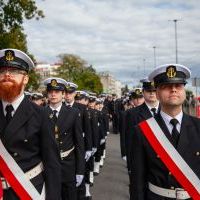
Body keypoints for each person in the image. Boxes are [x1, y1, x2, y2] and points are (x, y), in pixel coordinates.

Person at [130, 64, 200, 200]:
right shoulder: (142, 130)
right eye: (166, 86)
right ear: (157, 93)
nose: (173, 90)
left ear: (184, 91)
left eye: (178, 86)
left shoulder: (198, 126)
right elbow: (137, 181)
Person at [0, 49, 61, 200]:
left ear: (26, 79)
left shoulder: (41, 115)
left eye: (14, 71)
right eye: (2, 71)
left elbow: (52, 163)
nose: (7, 75)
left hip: (27, 191)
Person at [44, 77, 85, 200]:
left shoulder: (73, 113)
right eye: (50, 91)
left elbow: (79, 143)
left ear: (63, 94)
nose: (53, 94)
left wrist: (80, 170)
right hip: (48, 166)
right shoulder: (40, 113)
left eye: (56, 92)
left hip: (68, 165)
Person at [127, 78, 159, 199]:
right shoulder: (132, 114)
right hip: (142, 160)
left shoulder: (167, 110)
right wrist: (131, 165)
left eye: (154, 90)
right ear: (143, 92)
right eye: (148, 90)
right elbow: (130, 141)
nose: (151, 93)